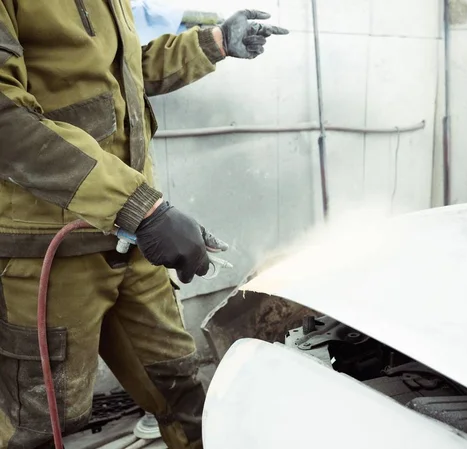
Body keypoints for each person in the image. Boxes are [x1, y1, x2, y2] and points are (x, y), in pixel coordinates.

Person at [0, 2, 288, 449]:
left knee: (184, 393)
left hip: (129, 238)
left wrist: (212, 45)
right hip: (46, 254)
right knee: (39, 428)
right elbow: (6, 117)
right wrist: (141, 208)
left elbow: (121, 74)